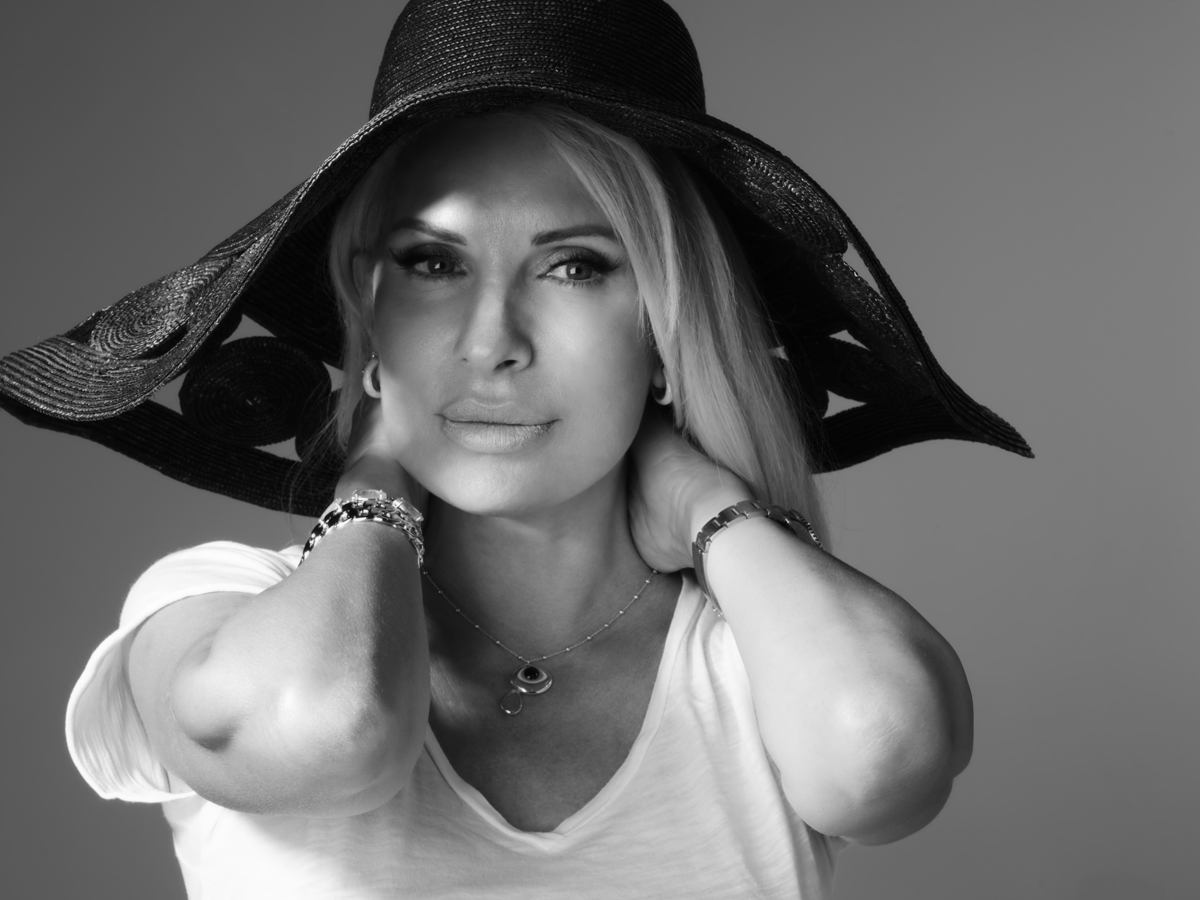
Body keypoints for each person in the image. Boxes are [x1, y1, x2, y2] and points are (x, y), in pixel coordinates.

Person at [0, 1, 1031, 897]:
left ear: (665, 330)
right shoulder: (218, 606)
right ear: (369, 316)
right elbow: (325, 725)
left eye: (575, 266)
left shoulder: (766, 652)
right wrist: (375, 479)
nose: (491, 341)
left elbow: (882, 752)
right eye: (433, 262)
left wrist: (707, 504)